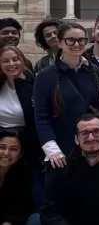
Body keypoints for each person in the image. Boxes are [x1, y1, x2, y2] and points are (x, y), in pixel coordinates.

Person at [34, 22, 99, 170]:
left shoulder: (94, 71)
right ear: (60, 43)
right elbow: (41, 117)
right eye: (70, 40)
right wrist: (52, 151)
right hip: (61, 152)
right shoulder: (45, 75)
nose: (76, 44)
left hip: (92, 149)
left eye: (81, 40)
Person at [0, 45, 44, 216]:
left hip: (28, 146)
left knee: (31, 190)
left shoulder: (32, 84)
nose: (11, 64)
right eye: (5, 61)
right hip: (2, 144)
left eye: (15, 59)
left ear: (22, 61)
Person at [0, 130, 34, 225]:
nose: (6, 153)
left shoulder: (23, 175)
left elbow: (23, 207)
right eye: (2, 147)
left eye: (14, 149)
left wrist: (9, 222)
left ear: (20, 154)